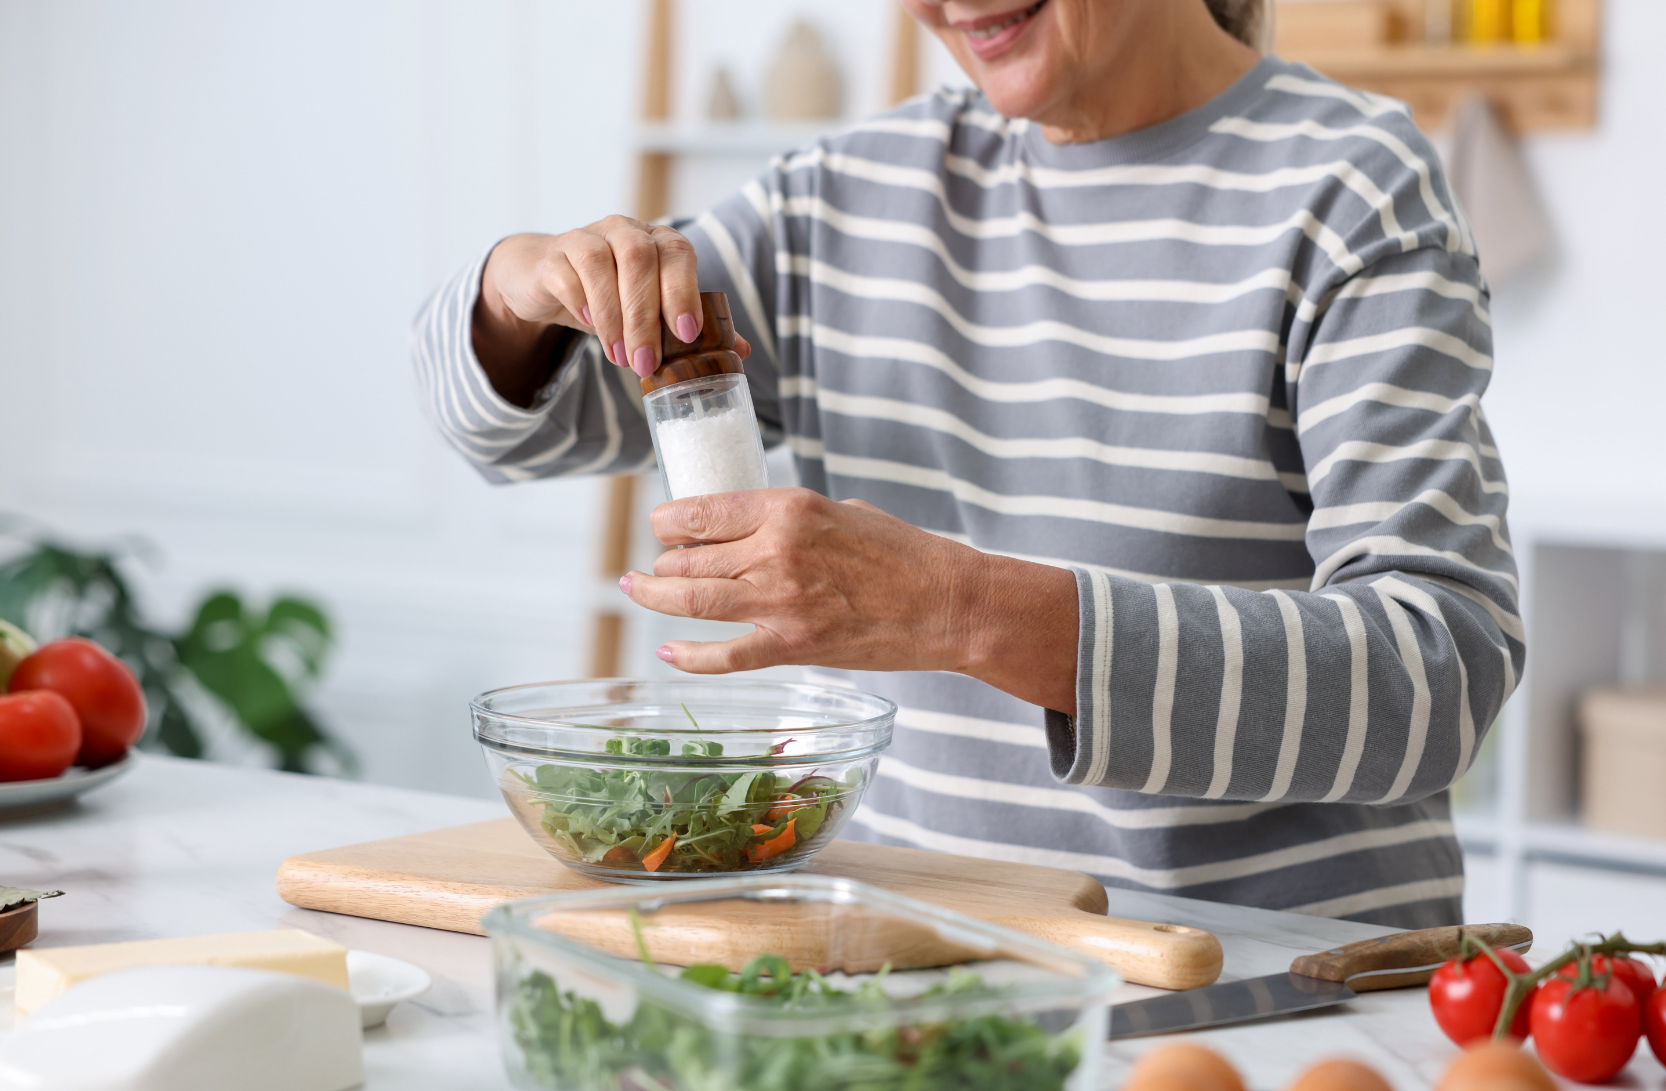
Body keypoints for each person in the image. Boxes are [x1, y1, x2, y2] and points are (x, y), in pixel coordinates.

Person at [412, 0, 1520, 926]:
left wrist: (969, 611)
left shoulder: (1351, 191)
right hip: (928, 970)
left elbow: (1440, 673)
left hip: (1278, 978)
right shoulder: (846, 197)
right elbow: (513, 430)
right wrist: (520, 291)